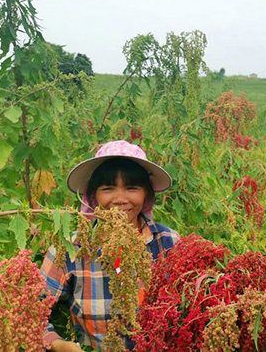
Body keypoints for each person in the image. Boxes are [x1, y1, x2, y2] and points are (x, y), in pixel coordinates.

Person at [41, 140, 180, 352]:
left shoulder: (168, 242)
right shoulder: (71, 248)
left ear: (147, 194)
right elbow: (30, 310)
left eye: (132, 188)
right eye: (108, 188)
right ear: (93, 196)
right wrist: (58, 344)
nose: (120, 199)